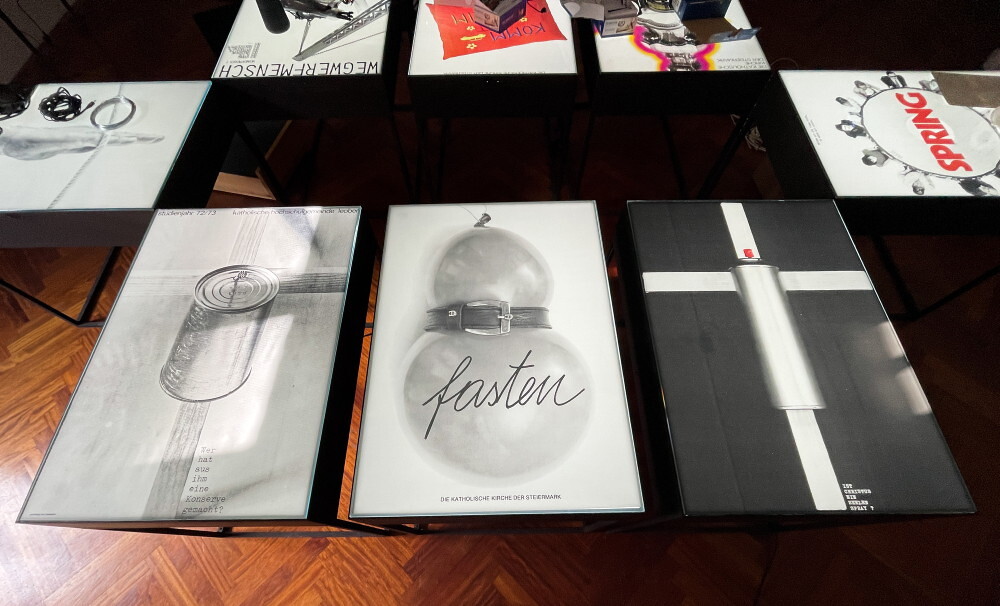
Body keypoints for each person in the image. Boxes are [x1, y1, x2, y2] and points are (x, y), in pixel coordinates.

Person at [0, 125, 163, 161]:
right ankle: (134, 138)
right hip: (12, 143)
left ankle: (134, 137)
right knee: (80, 141)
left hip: (12, 137)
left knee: (82, 137)